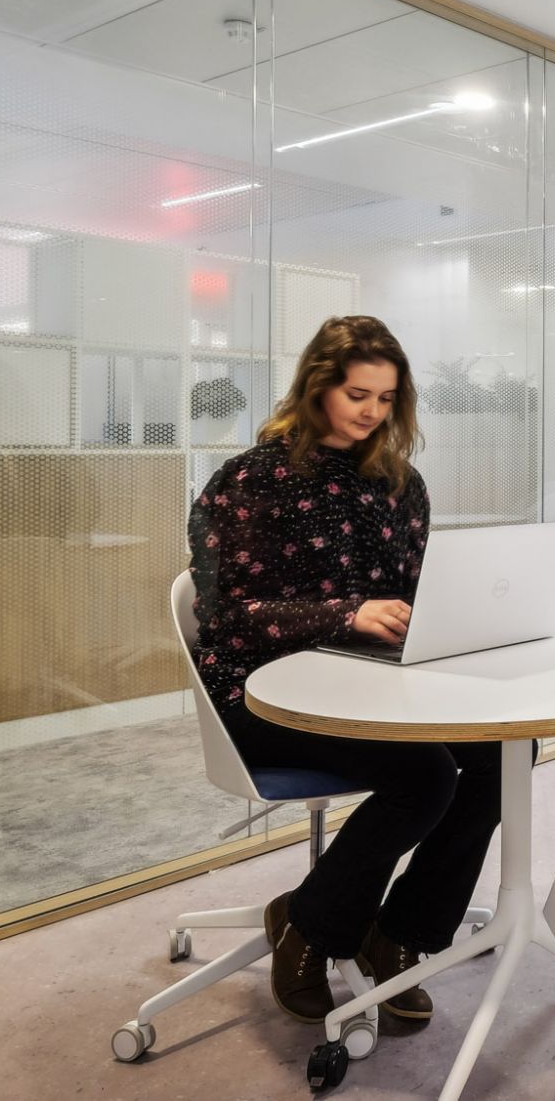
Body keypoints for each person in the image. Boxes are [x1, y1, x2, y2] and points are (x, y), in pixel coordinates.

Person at [188, 315, 509, 1026]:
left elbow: (414, 591)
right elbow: (228, 617)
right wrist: (347, 615)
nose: (371, 412)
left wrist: (452, 619)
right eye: (357, 394)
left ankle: (400, 932)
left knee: (503, 753)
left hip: (371, 684)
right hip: (261, 695)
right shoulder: (251, 480)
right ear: (316, 388)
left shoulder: (400, 484)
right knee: (425, 775)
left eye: (386, 398)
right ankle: (310, 927)